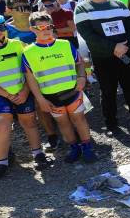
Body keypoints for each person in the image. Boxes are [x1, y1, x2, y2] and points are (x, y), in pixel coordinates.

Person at [0, 12, 49, 180]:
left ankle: (38, 154)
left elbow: (31, 71)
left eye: (0, 26)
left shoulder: (18, 45)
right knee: (1, 125)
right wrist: (8, 95)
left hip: (22, 90)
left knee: (29, 122)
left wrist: (25, 91)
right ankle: (2, 163)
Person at [74, 0, 130, 132]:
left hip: (125, 53)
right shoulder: (81, 9)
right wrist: (113, 47)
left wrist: (124, 44)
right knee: (108, 91)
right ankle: (111, 123)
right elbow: (88, 35)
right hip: (103, 58)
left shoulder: (118, 5)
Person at [22, 12, 96, 163]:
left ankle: (87, 146)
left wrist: (82, 77)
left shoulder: (65, 44)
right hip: (51, 97)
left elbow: (80, 63)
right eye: (40, 27)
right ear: (32, 29)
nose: (45, 30)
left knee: (79, 119)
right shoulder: (28, 52)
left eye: (48, 26)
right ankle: (74, 147)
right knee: (63, 123)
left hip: (73, 92)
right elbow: (30, 79)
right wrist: (40, 99)